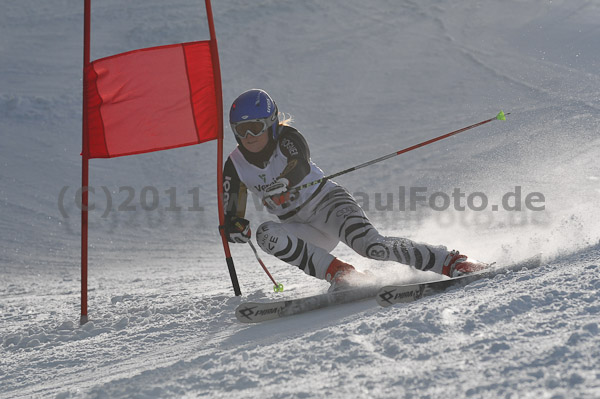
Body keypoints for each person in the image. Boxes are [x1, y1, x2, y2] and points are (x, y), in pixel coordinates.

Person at [221, 89, 486, 289]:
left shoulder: (289, 138)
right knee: (266, 234)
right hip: (299, 225)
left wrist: (284, 183)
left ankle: (451, 261)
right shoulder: (235, 165)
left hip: (328, 206)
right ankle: (342, 275)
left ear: (270, 123)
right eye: (240, 131)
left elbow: (298, 163)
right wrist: (236, 228)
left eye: (254, 128)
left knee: (373, 247)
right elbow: (232, 213)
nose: (248, 137)